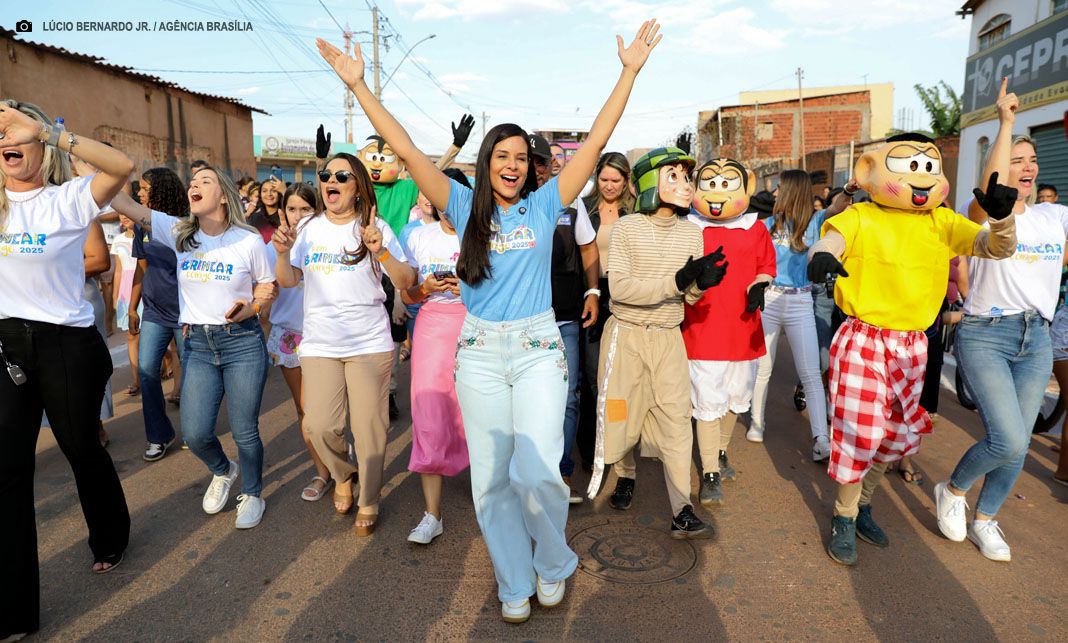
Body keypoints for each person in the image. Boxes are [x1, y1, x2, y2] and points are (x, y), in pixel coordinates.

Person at [317, 17, 662, 622]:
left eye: (520, 158)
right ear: (486, 163)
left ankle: (552, 561)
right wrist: (359, 87)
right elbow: (404, 149)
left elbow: (598, 138)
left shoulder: (546, 203)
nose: (512, 165)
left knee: (539, 473)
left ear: (531, 168)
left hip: (536, 349)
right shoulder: (460, 204)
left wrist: (628, 72)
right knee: (493, 480)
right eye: (501, 156)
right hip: (477, 353)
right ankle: (513, 579)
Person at [807, 129, 1018, 567]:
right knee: (859, 432)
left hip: (913, 346)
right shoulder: (861, 215)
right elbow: (830, 241)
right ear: (871, 171)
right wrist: (822, 256)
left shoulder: (942, 222)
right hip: (864, 340)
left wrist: (1002, 219)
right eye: (909, 167)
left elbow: (996, 248)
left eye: (929, 168)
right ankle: (844, 515)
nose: (921, 179)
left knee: (893, 435)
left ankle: (864, 503)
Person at [0, 98, 134, 641]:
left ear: (39, 145)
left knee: (80, 446)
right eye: (1, 134)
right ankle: (12, 611)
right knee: (8, 469)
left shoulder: (67, 200)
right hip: (7, 345)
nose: (7, 141)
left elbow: (121, 166)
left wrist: (51, 131)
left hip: (66, 343)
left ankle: (111, 532)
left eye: (17, 133)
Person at [937, 80, 1068, 561]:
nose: (1028, 166)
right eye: (1017, 159)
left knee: (1018, 441)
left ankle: (986, 519)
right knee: (1008, 438)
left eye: (1032, 160)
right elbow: (992, 190)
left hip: (1037, 337)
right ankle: (953, 489)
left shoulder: (1055, 217)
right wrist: (1006, 123)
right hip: (986, 334)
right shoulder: (982, 214)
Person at [111, 165, 277, 530]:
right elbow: (125, 203)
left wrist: (252, 307)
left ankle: (252, 493)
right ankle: (223, 469)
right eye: (192, 182)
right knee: (196, 433)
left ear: (224, 195)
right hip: (199, 344)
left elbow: (268, 287)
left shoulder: (248, 240)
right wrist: (86, 162)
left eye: (205, 181)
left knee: (245, 430)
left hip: (242, 342)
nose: (194, 186)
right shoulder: (179, 233)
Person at [272, 152, 414, 536]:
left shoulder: (375, 227)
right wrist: (281, 253)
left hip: (369, 343)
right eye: (326, 175)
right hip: (320, 343)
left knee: (369, 430)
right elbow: (287, 280)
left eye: (341, 176)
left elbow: (405, 281)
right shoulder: (308, 228)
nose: (330, 181)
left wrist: (380, 250)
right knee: (318, 425)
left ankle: (369, 497)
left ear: (358, 188)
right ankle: (342, 474)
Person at [589, 145, 726, 539]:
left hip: (668, 338)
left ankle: (682, 509)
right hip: (627, 336)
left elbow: (689, 297)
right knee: (621, 415)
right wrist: (678, 282)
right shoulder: (627, 228)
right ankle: (626, 474)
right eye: (674, 175)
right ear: (651, 181)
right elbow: (621, 289)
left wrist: (701, 284)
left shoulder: (693, 233)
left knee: (677, 421)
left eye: (686, 176)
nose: (684, 184)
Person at [682, 158, 775, 505]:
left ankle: (720, 451)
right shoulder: (689, 227)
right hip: (703, 326)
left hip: (744, 326)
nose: (718, 192)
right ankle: (709, 472)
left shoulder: (756, 228)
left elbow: (766, 267)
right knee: (708, 400)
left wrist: (760, 285)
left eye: (727, 184)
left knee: (736, 398)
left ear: (746, 187)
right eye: (710, 184)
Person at [531, 133, 601, 503]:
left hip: (566, 318)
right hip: (524, 323)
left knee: (569, 397)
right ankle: (530, 475)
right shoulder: (504, 206)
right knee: (526, 401)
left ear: (550, 166)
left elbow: (588, 247)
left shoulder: (569, 202)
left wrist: (593, 291)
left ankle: (561, 473)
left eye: (540, 162)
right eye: (528, 161)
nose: (535, 169)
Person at [749, 170, 834, 461]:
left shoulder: (816, 221)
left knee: (810, 372)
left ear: (791, 191)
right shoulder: (766, 224)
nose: (775, 193)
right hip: (770, 298)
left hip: (801, 301)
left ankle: (821, 439)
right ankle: (757, 423)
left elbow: (837, 208)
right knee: (762, 368)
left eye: (780, 188)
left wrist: (848, 191)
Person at [398, 188, 467, 544]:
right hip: (431, 330)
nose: (448, 211)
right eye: (442, 205)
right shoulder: (418, 237)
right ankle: (432, 514)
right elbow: (407, 295)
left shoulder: (485, 235)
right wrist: (424, 288)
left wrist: (469, 292)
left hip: (476, 328)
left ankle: (495, 502)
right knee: (428, 415)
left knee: (480, 413)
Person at [265, 182, 332, 501]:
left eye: (306, 208)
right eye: (292, 209)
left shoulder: (327, 240)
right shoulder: (272, 247)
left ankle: (339, 459)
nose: (298, 215)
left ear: (317, 211)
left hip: (327, 334)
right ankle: (323, 473)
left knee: (329, 412)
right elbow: (262, 289)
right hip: (290, 336)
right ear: (283, 212)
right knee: (305, 410)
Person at [576, 152, 634, 471]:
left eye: (616, 180)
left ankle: (618, 445)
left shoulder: (636, 213)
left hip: (626, 298)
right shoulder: (583, 209)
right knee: (592, 375)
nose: (609, 186)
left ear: (626, 181)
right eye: (604, 179)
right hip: (592, 296)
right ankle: (589, 447)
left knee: (621, 378)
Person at [133, 168, 188, 461]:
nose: (140, 193)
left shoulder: (187, 225)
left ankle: (194, 428)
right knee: (146, 371)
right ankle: (159, 435)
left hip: (185, 312)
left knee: (191, 372)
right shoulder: (141, 225)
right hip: (154, 312)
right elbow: (142, 268)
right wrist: (134, 307)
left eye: (145, 189)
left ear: (162, 191)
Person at [111, 213, 141, 395]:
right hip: (125, 291)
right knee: (132, 336)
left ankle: (167, 358)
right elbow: (118, 271)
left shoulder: (146, 237)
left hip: (143, 286)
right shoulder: (118, 240)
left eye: (126, 214)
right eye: (120, 215)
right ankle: (136, 380)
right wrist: (115, 296)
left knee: (149, 335)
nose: (123, 218)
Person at [248, 176, 283, 243]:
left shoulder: (285, 216)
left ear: (279, 194)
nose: (269, 194)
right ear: (260, 195)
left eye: (273, 190)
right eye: (264, 191)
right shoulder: (254, 218)